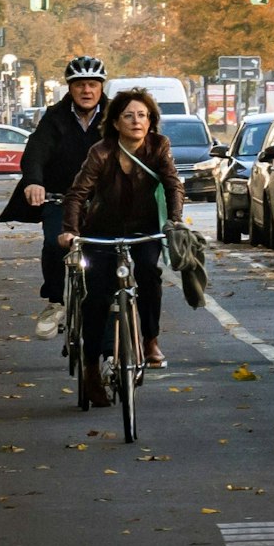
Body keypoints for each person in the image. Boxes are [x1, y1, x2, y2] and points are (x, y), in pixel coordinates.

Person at [58, 90, 185, 407]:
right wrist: (71, 232)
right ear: (115, 122)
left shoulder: (159, 147)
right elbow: (77, 194)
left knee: (149, 273)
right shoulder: (101, 153)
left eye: (142, 115)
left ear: (151, 120)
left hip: (144, 231)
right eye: (129, 115)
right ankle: (90, 369)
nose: (137, 121)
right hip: (101, 233)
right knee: (96, 295)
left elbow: (173, 184)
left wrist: (174, 221)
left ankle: (150, 340)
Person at [0, 57, 108, 339]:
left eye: (93, 85)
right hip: (60, 198)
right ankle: (56, 302)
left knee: (112, 251)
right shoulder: (55, 117)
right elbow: (36, 150)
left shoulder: (114, 115)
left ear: (101, 88)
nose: (87, 91)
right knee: (54, 243)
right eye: (80, 85)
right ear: (69, 89)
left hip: (104, 200)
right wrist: (34, 182)